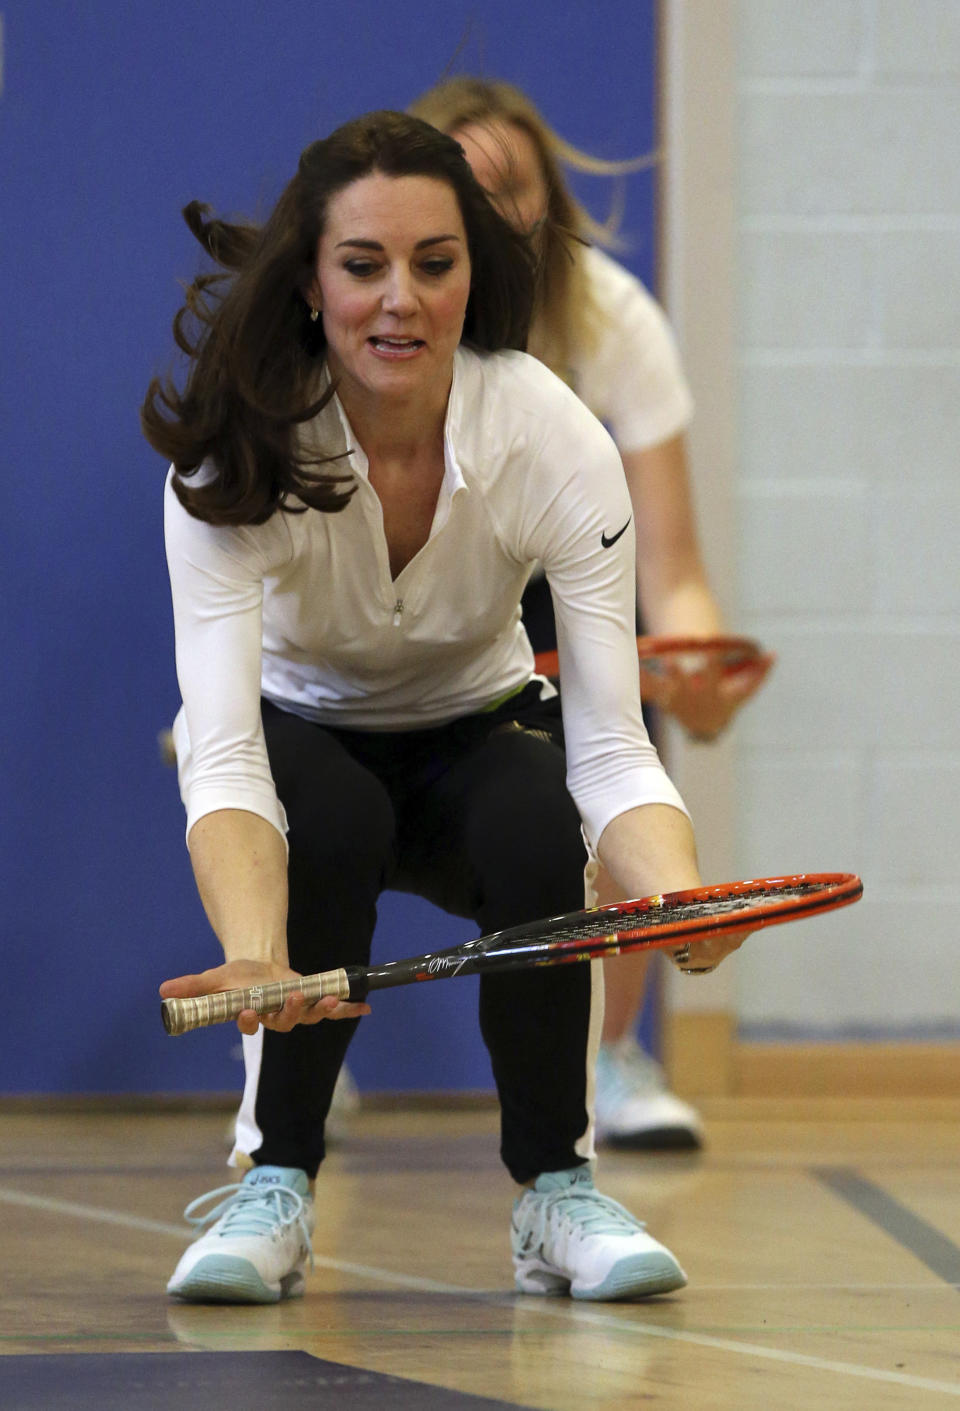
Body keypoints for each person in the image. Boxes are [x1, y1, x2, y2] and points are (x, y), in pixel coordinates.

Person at [142, 109, 745, 1307]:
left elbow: (613, 746)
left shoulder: (554, 440)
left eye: (434, 263)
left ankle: (556, 1192)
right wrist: (258, 956)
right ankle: (276, 1181)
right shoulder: (230, 461)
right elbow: (220, 759)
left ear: (475, 275)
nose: (399, 300)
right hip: (301, 737)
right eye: (363, 266)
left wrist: (674, 895)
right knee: (333, 824)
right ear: (313, 285)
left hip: (478, 727)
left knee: (534, 817)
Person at [408, 78, 773, 1151]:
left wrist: (695, 667)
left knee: (617, 745)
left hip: (557, 584)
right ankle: (295, 1053)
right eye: (462, 191)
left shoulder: (613, 319)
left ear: (550, 201)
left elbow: (670, 567)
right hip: (402, 593)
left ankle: (609, 1054)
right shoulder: (375, 329)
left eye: (511, 188)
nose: (492, 213)